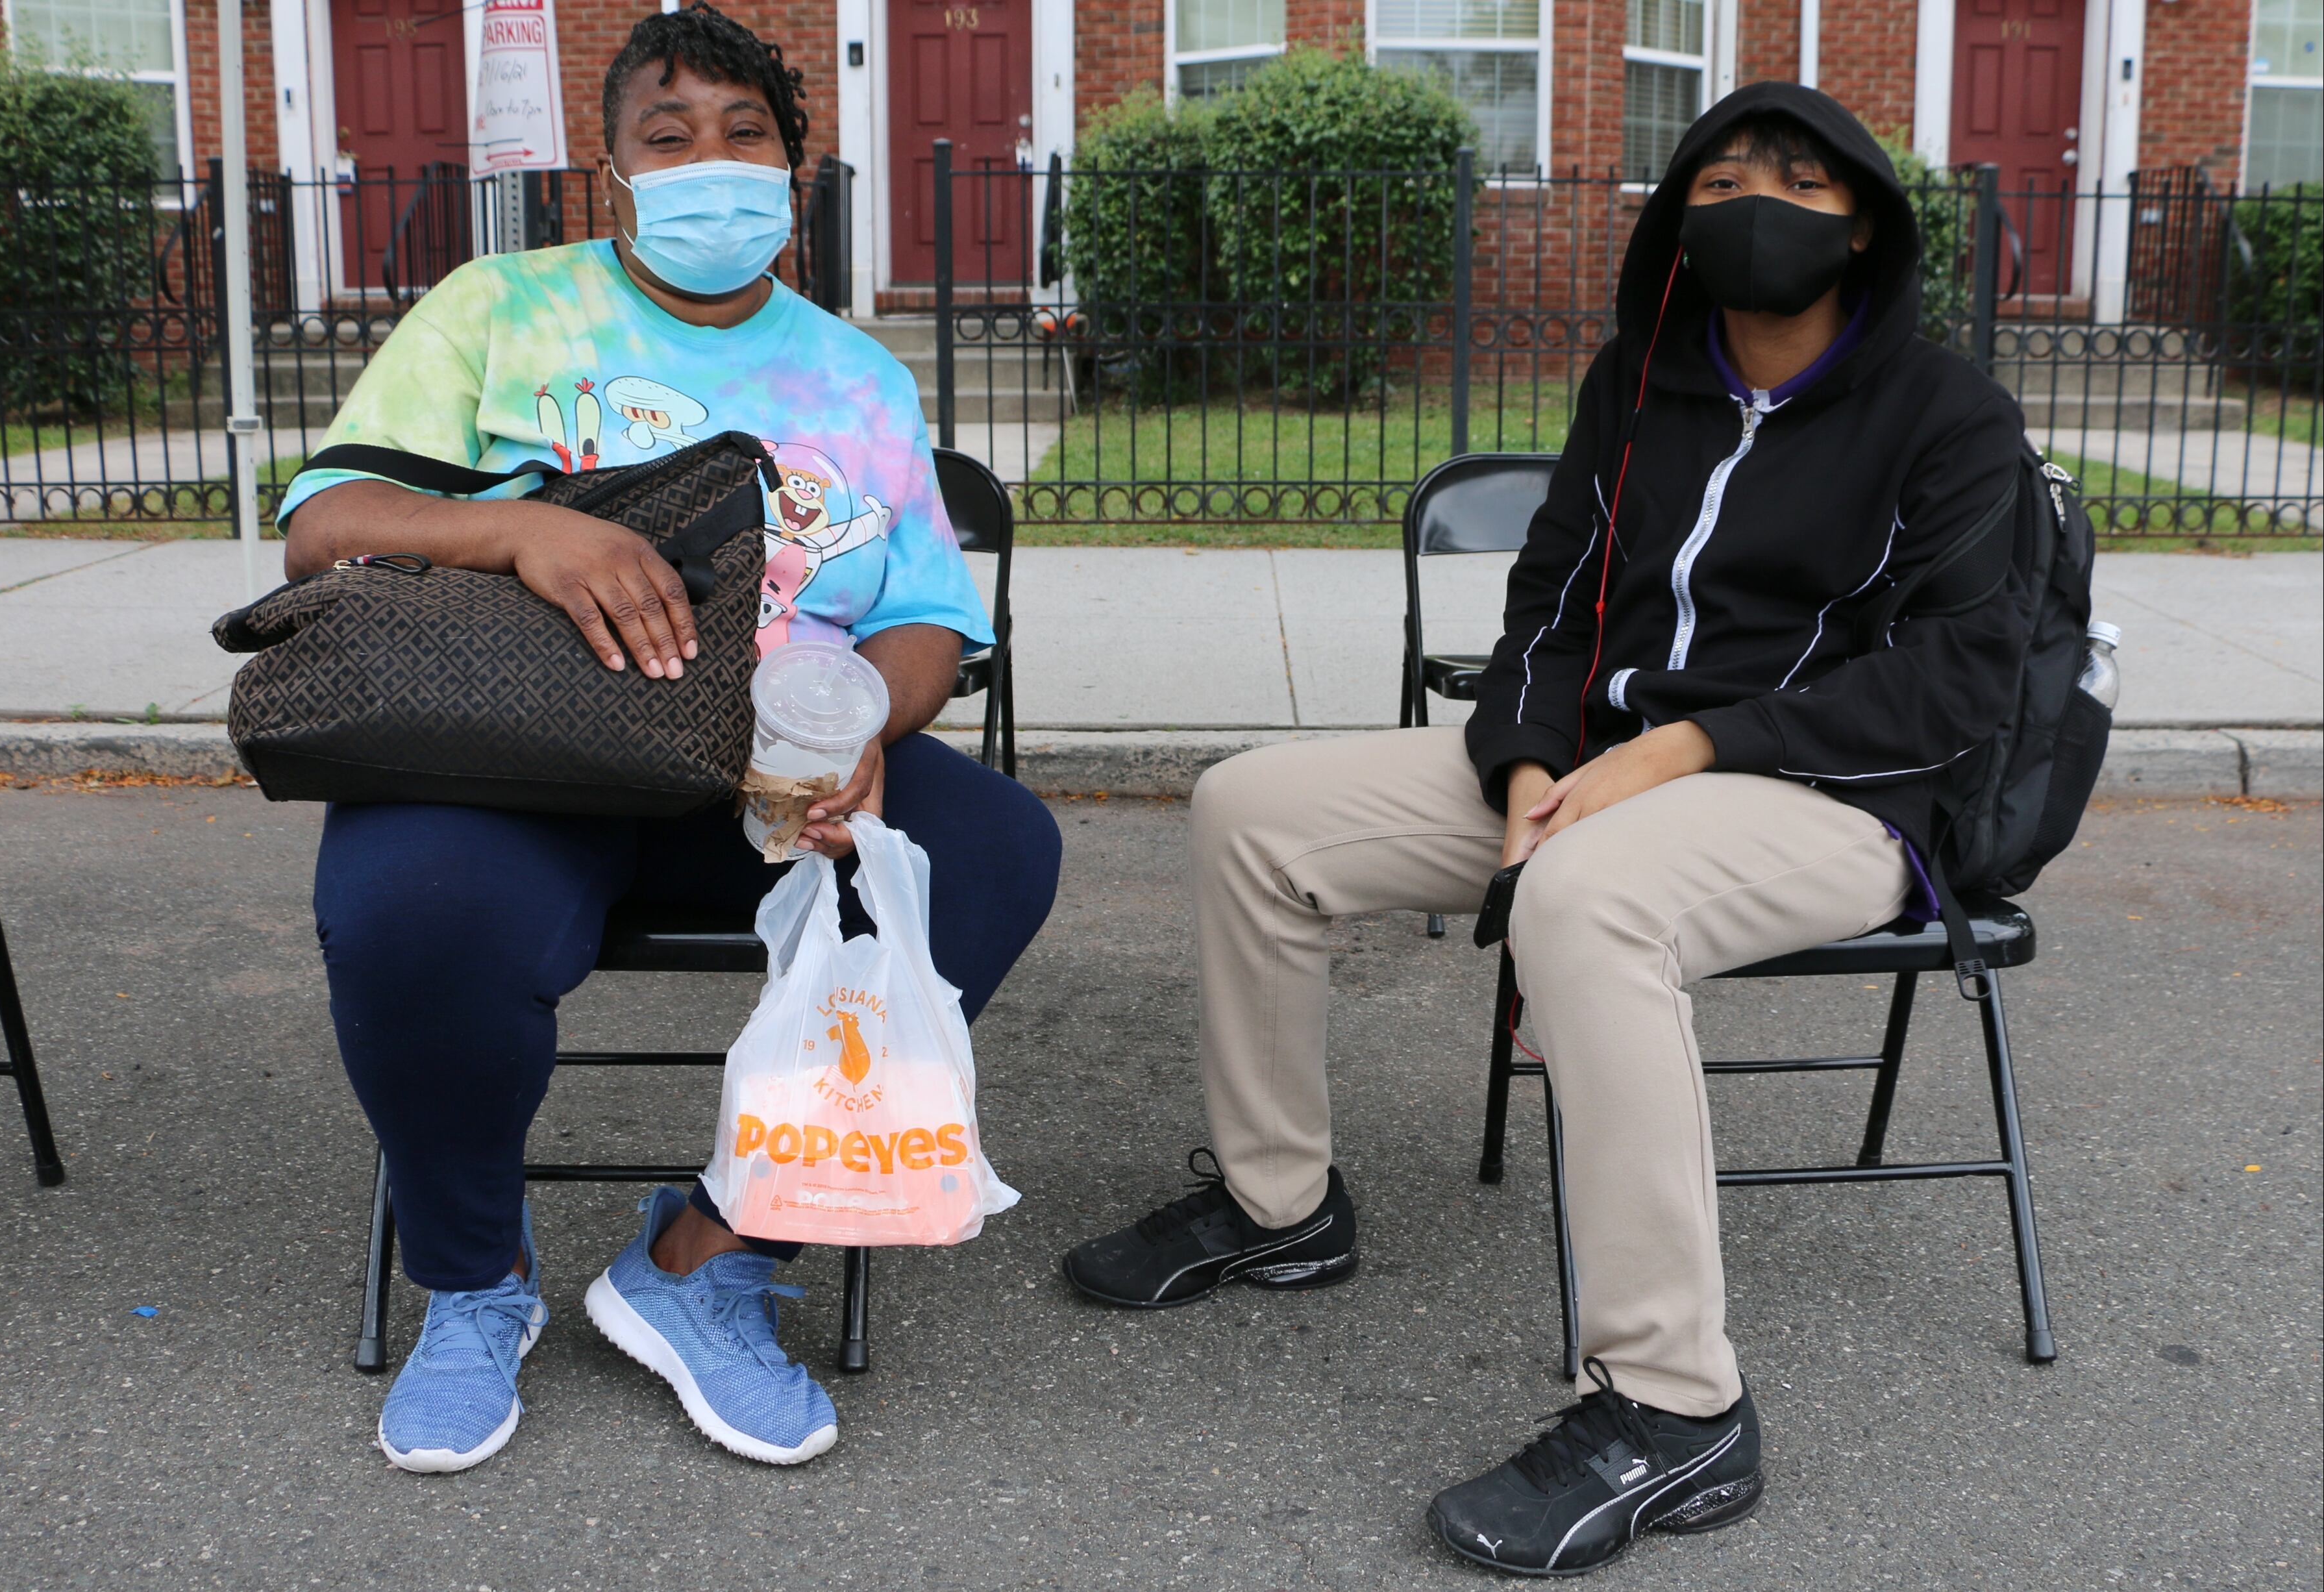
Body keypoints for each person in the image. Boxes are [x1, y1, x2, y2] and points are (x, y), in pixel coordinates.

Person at [1061, 82, 2029, 1578]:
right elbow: (1554, 599)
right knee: (1249, 807)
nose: (1752, 205)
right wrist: (1521, 764)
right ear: (1676, 222)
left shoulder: (1946, 413)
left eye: (1795, 180)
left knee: (1586, 902)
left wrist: (1690, 748)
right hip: (1587, 768)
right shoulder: (1636, 381)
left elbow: (1959, 678)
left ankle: (1674, 1400)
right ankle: (1279, 1203)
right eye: (1718, 179)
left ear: (1861, 226)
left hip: (1828, 797)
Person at [280, 6, 1061, 1474]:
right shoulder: (498, 306)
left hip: (759, 780)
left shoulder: (856, 374)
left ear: (792, 164)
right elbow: (326, 525)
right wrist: (523, 528)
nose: (710, 160)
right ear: (614, 167)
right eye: (668, 133)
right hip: (517, 754)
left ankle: (707, 1252)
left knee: (996, 855)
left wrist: (869, 723)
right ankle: (471, 1278)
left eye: (744, 132)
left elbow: (928, 621)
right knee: (410, 910)